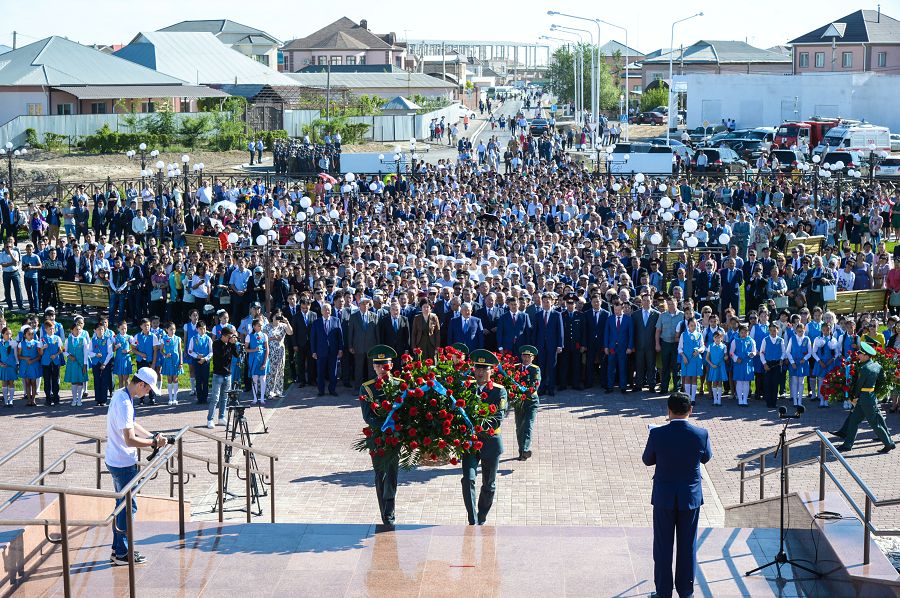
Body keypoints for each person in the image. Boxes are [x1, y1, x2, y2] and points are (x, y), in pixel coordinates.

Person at [642, 392, 713, 598]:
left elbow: (647, 460)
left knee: (663, 546)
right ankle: (686, 592)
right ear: (690, 410)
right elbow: (706, 458)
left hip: (664, 496)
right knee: (687, 546)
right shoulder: (701, 434)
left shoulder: (657, 434)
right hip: (690, 497)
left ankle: (663, 592)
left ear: (668, 411)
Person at [105, 367, 167, 566]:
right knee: (128, 507)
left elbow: (133, 424)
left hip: (116, 459)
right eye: (148, 389)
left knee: (121, 506)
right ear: (141, 384)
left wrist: (151, 436)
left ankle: (118, 550)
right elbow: (130, 439)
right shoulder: (124, 403)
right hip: (123, 463)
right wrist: (154, 443)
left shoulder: (122, 395)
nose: (147, 393)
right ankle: (123, 553)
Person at [461, 349, 507, 526]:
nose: (479, 372)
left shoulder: (499, 391)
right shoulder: (466, 387)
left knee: (489, 484)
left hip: (490, 442)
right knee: (468, 479)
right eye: (477, 368)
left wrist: (478, 427)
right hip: (470, 443)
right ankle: (473, 519)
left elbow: (498, 418)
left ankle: (482, 516)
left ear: (492, 371)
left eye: (484, 369)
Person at [359, 345, 401, 526]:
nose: (381, 369)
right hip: (377, 437)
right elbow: (368, 416)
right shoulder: (367, 388)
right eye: (378, 365)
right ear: (374, 367)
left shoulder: (400, 385)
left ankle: (389, 512)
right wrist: (386, 426)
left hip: (394, 438)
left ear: (391, 365)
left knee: (392, 474)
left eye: (385, 365)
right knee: (380, 474)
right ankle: (384, 511)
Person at [833, 342, 896, 454]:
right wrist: (873, 392)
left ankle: (888, 443)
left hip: (864, 399)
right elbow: (881, 381)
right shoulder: (877, 365)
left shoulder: (865, 369)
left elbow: (859, 386)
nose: (859, 355)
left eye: (861, 354)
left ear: (867, 356)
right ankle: (848, 444)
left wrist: (853, 396)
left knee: (874, 423)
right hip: (869, 397)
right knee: (854, 421)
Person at [208, 324, 239, 428]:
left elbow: (236, 355)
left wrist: (233, 344)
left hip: (228, 374)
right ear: (224, 336)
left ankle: (221, 418)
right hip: (218, 374)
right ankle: (210, 419)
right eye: (230, 336)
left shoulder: (230, 344)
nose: (231, 338)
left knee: (225, 397)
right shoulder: (216, 343)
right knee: (215, 398)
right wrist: (229, 344)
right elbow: (222, 354)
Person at [514, 345, 541, 460]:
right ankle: (521, 451)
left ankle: (525, 450)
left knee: (528, 425)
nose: (525, 359)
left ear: (532, 358)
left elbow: (535, 385)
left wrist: (524, 390)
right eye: (524, 356)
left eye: (528, 357)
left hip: (531, 401)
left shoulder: (535, 369)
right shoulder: (516, 368)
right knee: (519, 427)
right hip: (519, 402)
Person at [312, 303, 343, 397]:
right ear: (321, 312)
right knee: (320, 372)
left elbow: (340, 336)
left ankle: (332, 390)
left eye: (329, 309)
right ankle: (321, 391)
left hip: (333, 351)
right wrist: (313, 351)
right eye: (325, 309)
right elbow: (313, 338)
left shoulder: (336, 320)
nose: (327, 311)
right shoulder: (316, 322)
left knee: (333, 372)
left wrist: (340, 349)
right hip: (321, 351)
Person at [64, 319, 90, 407]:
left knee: (80, 381)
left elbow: (86, 353)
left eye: (79, 329)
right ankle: (74, 399)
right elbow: (65, 351)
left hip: (81, 363)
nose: (78, 331)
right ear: (72, 330)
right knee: (74, 382)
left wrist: (85, 364)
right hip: (72, 364)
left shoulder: (83, 340)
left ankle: (79, 399)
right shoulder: (68, 339)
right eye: (76, 329)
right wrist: (69, 356)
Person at [187, 320, 212, 406]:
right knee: (198, 380)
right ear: (197, 329)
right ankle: (199, 398)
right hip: (196, 361)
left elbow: (211, 351)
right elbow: (189, 351)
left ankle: (205, 398)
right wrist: (196, 356)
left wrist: (205, 358)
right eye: (201, 329)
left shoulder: (208, 338)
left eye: (204, 329)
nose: (202, 331)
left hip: (205, 361)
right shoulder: (193, 338)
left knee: (205, 380)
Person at [245, 317, 270, 404]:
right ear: (254, 326)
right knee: (254, 379)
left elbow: (267, 349)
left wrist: (265, 362)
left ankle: (262, 398)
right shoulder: (249, 336)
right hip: (253, 359)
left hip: (262, 358)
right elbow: (246, 349)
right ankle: (255, 398)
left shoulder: (264, 335)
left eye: (261, 325)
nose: (261, 327)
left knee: (263, 379)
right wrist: (254, 350)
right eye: (259, 325)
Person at [158, 321, 183, 406]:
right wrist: (165, 354)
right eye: (171, 329)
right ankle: (170, 398)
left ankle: (175, 398)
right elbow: (161, 350)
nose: (173, 331)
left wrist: (181, 362)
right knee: (169, 379)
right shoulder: (163, 339)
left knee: (175, 379)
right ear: (167, 330)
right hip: (168, 361)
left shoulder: (178, 338)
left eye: (174, 329)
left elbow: (180, 351)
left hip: (176, 361)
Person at [40, 319, 63, 406]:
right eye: (50, 329)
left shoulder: (57, 338)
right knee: (46, 381)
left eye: (53, 328)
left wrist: (56, 354)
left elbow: (61, 349)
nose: (52, 330)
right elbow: (40, 353)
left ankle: (56, 398)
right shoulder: (42, 339)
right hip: (46, 362)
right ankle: (48, 399)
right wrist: (42, 348)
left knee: (55, 380)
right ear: (45, 329)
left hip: (55, 361)